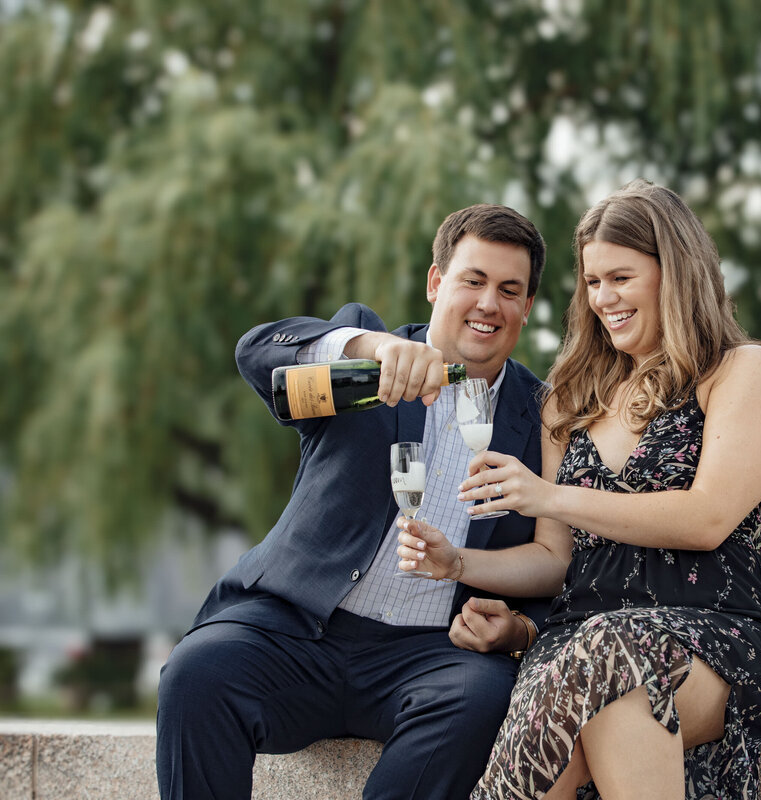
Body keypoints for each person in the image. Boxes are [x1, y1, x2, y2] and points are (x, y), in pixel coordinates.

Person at [398, 179, 761, 799]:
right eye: (591, 282)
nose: (603, 298)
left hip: (714, 636)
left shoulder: (742, 372)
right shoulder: (571, 395)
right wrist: (460, 565)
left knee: (609, 659)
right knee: (605, 679)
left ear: (675, 273)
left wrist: (549, 495)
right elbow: (557, 560)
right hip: (581, 650)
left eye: (621, 278)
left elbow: (706, 518)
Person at [156, 204, 553, 800]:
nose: (488, 304)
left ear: (526, 308)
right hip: (296, 629)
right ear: (436, 282)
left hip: (433, 652)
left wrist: (519, 629)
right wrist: (369, 347)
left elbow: (564, 561)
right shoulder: (363, 358)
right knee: (196, 673)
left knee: (482, 698)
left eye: (509, 289)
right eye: (472, 280)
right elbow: (258, 353)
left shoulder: (543, 415)